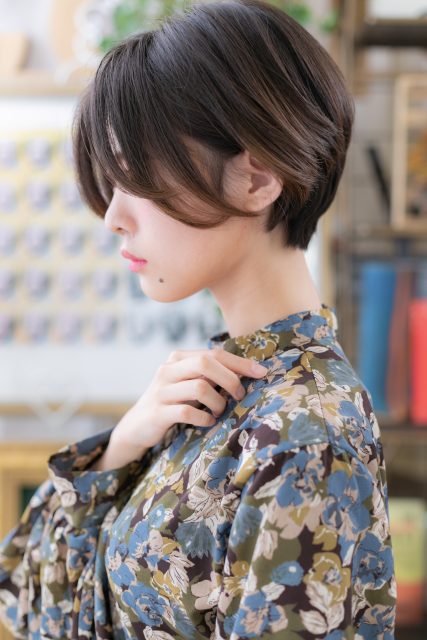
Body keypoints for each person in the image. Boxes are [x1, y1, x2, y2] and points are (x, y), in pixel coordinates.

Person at [0, 0, 396, 638]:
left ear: (256, 179)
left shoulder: (302, 435)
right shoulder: (220, 391)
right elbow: (24, 593)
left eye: (135, 175)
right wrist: (123, 444)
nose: (113, 217)